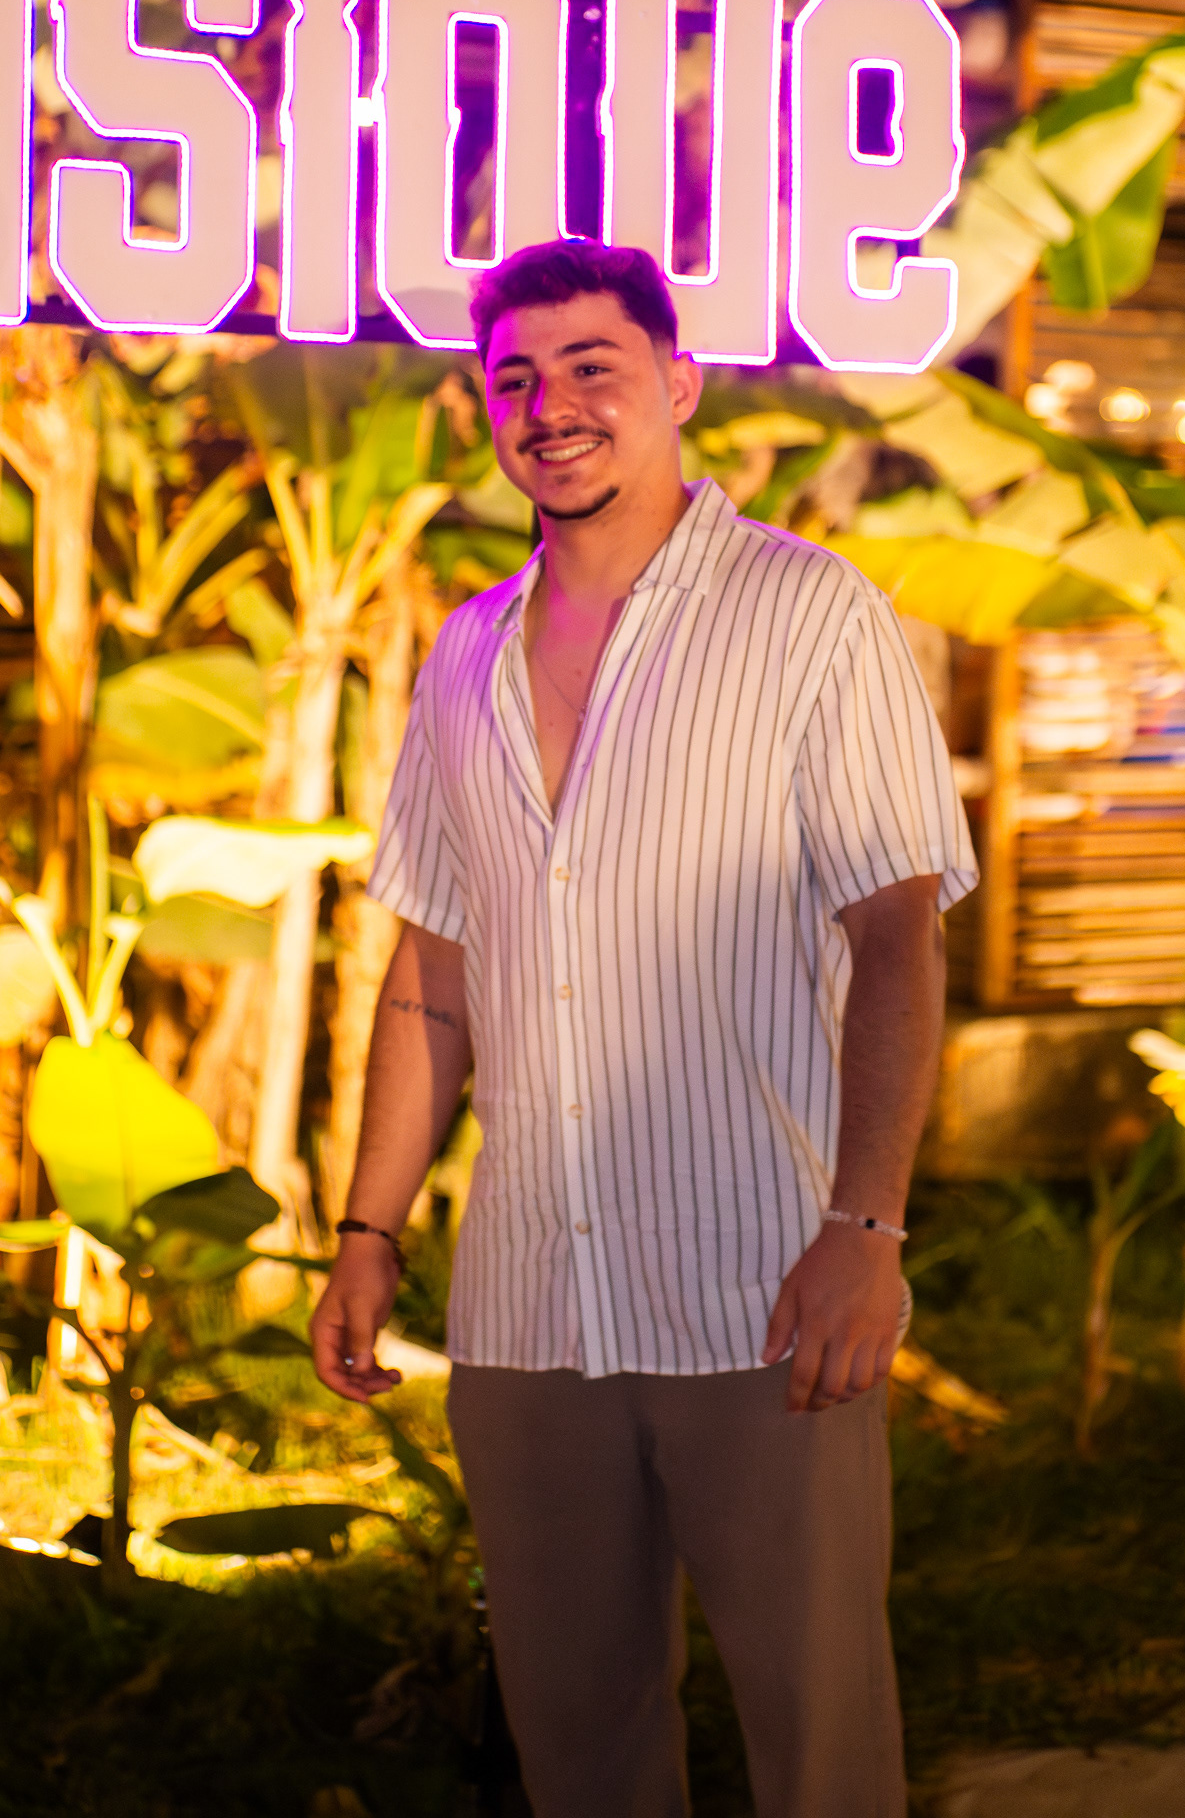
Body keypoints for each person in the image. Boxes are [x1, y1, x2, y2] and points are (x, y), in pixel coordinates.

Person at [311, 239, 977, 1818]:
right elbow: (430, 974)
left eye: (589, 368)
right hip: (527, 1304)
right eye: (514, 379)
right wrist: (367, 1231)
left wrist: (866, 1227)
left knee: (818, 1743)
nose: (547, 406)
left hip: (761, 1292)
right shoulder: (463, 656)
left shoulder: (810, 617)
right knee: (577, 1749)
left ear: (677, 385)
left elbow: (896, 938)